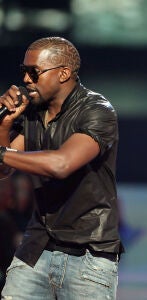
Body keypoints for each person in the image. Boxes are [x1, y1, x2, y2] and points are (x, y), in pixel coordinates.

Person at [0, 36, 123, 300]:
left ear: (64, 73)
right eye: (24, 71)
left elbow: (61, 164)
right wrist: (4, 125)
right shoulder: (32, 112)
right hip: (36, 247)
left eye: (34, 72)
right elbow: (4, 169)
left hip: (89, 253)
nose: (26, 80)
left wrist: (1, 153)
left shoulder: (97, 110)